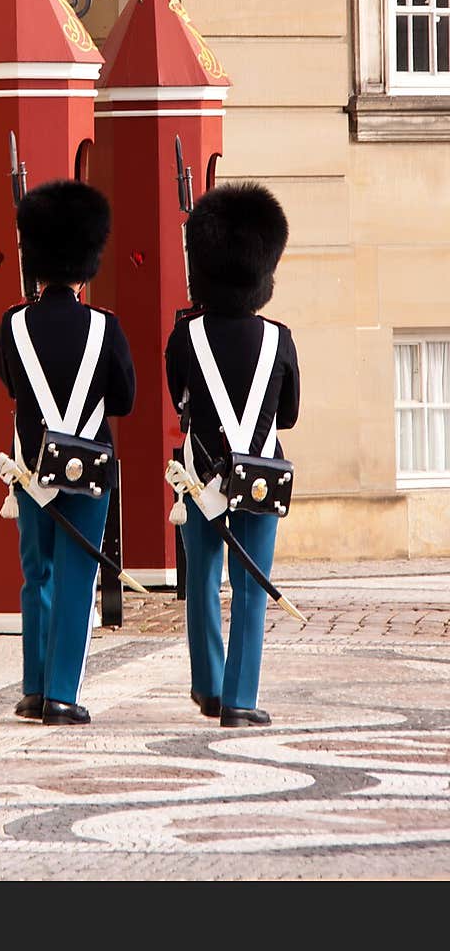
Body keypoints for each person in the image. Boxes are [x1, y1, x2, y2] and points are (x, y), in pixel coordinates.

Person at [0, 179, 136, 726]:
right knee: (78, 575)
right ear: (85, 262)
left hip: (30, 469)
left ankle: (34, 686)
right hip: (88, 466)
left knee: (39, 574)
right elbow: (124, 398)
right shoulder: (104, 327)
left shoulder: (14, 324)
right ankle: (61, 693)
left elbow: (8, 379)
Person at [164, 180, 300, 728]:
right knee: (250, 589)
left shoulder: (184, 335)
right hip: (262, 475)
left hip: (201, 475)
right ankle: (240, 699)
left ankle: (208, 684)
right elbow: (288, 413)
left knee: (201, 578)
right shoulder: (279, 338)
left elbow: (179, 400)